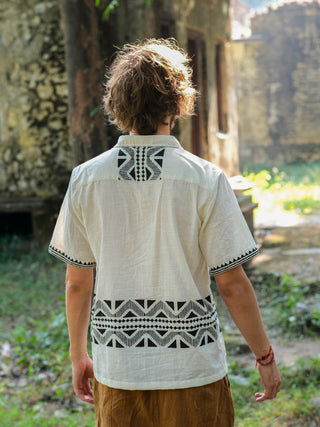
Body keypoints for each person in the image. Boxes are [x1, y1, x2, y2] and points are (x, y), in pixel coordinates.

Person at [49, 38, 281, 426]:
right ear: (177, 103)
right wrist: (265, 357)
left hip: (118, 373)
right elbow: (232, 284)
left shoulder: (86, 180)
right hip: (193, 373)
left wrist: (78, 355)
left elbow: (77, 281)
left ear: (117, 104)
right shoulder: (204, 179)